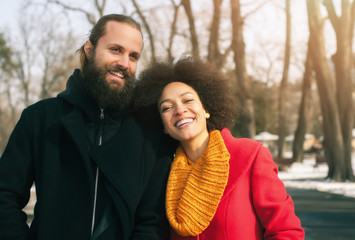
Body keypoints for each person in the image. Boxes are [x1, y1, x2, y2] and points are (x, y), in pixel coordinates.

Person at [0, 14, 174, 240]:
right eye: (115, 50)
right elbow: (5, 196)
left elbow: (152, 222)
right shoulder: (40, 118)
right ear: (89, 49)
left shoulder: (149, 133)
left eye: (133, 56)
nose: (124, 63)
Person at [133, 57, 305, 240]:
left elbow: (286, 232)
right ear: (163, 126)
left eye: (188, 100)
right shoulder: (163, 176)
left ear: (206, 109)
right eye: (167, 108)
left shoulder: (250, 156)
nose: (179, 110)